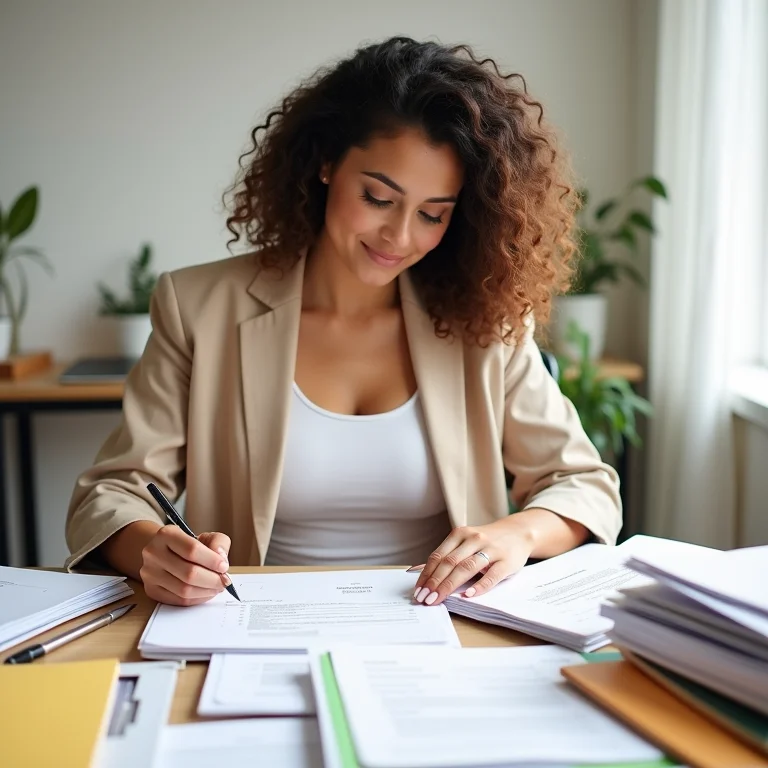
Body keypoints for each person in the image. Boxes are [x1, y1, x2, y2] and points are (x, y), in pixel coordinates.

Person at [66, 36, 621, 608]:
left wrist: (516, 534)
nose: (400, 237)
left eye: (433, 214)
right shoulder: (200, 307)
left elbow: (585, 485)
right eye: (379, 197)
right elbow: (111, 492)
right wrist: (153, 550)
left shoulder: (484, 320)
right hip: (250, 623)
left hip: (437, 627)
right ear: (327, 163)